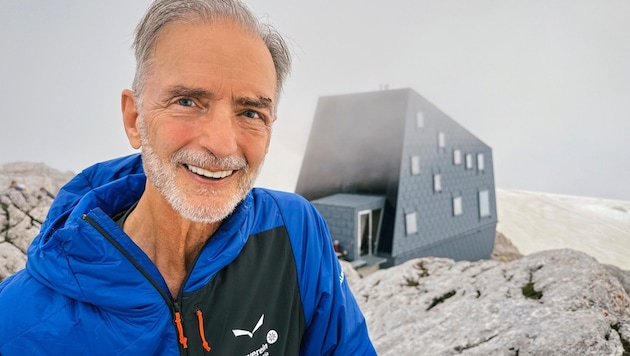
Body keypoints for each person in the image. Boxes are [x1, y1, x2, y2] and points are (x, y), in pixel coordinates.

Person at [0, 1, 377, 355]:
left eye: (249, 113)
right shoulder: (17, 322)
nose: (221, 144)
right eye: (187, 102)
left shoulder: (295, 232)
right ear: (135, 119)